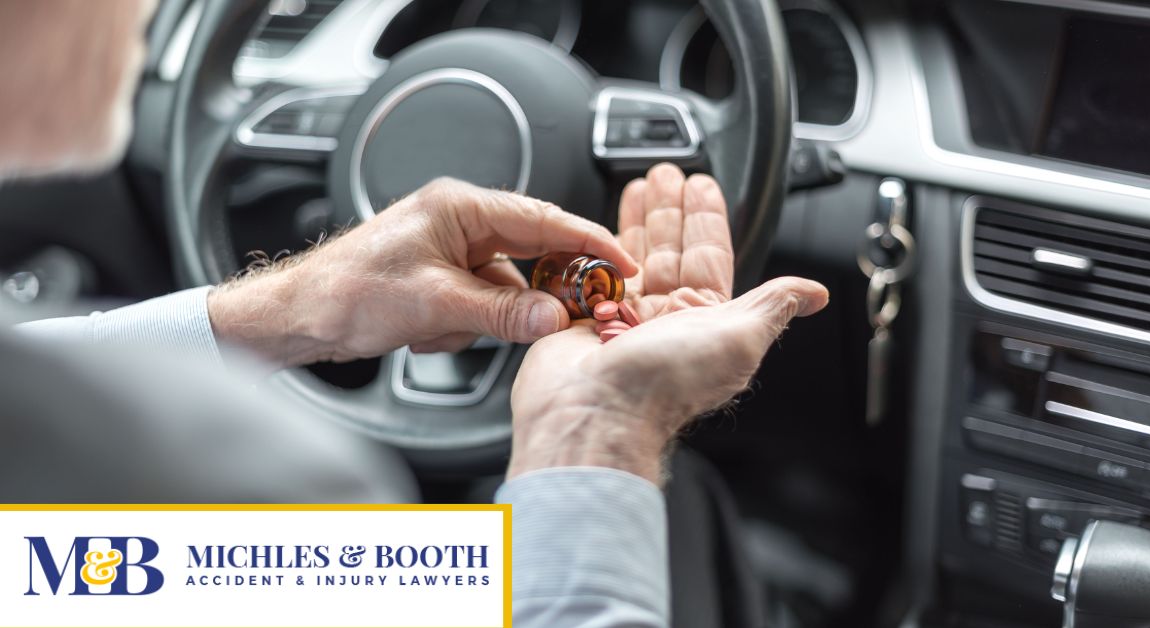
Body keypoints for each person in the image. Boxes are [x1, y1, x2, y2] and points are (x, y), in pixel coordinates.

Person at [0, 1, 829, 626]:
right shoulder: (250, 474)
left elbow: (44, 565)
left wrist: (292, 307)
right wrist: (594, 433)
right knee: (672, 512)